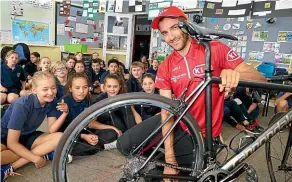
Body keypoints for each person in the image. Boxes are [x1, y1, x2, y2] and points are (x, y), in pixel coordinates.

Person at [116, 6, 266, 177]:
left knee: (189, 176)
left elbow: (259, 77)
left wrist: (235, 74)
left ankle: (164, 167)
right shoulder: (166, 65)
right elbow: (166, 111)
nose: (170, 37)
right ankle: (162, 161)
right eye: (164, 33)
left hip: (201, 135)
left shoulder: (214, 49)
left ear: (186, 24)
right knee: (123, 145)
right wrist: (170, 157)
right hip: (175, 122)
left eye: (174, 28)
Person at [0, 72, 64, 181]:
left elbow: (51, 130)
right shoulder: (22, 105)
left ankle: (12, 167)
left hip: (27, 136)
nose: (50, 92)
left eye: (53, 88)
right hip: (5, 137)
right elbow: (11, 142)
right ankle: (41, 152)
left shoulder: (52, 101)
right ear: (34, 90)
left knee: (60, 137)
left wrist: (65, 113)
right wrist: (35, 158)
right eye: (45, 89)